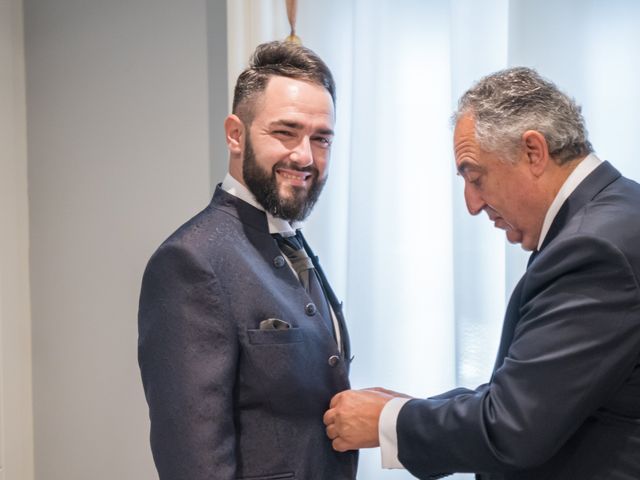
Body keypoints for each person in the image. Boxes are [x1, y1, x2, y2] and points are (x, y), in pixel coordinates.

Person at [323, 67, 640, 479]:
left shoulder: (592, 249)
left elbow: (514, 427)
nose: (472, 204)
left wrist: (390, 421)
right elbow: (541, 389)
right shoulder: (620, 209)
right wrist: (417, 411)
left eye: (476, 177)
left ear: (533, 151)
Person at [138, 40, 356, 480]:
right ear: (235, 134)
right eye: (286, 132)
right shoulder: (190, 261)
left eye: (321, 139)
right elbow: (193, 463)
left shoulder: (291, 242)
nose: (306, 157)